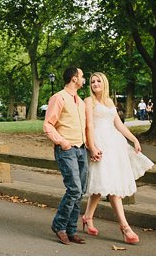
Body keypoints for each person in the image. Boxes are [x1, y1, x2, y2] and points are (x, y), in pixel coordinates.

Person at [82, 72, 153, 244]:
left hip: (114, 145)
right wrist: (92, 147)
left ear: (104, 83)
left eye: (98, 81)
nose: (95, 83)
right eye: (92, 81)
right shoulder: (88, 101)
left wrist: (134, 139)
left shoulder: (109, 102)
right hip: (99, 144)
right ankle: (125, 227)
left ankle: (87, 217)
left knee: (103, 182)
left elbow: (118, 124)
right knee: (110, 184)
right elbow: (88, 125)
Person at [43, 66, 100, 245]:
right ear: (74, 78)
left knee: (81, 191)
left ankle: (71, 230)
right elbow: (48, 125)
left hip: (81, 149)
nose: (84, 79)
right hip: (67, 149)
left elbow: (86, 128)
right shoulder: (58, 98)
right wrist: (62, 142)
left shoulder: (81, 102)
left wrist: (91, 148)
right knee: (74, 189)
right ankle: (59, 225)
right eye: (82, 76)